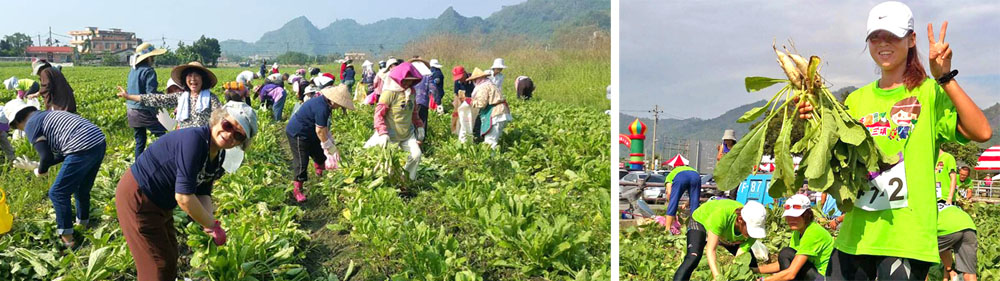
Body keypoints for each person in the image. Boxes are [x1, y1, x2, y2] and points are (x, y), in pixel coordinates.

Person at [795, 2, 991, 279]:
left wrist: (945, 78)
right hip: (857, 233)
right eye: (876, 36)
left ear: (911, 40)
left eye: (893, 35)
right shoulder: (855, 100)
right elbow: (834, 160)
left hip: (906, 236)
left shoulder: (928, 92)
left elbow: (981, 132)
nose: (883, 44)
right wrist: (814, 124)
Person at [115, 102, 257, 280]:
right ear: (218, 119)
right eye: (228, 125)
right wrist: (211, 225)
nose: (229, 135)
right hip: (140, 196)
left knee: (170, 255)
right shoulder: (195, 141)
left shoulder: (218, 154)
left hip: (161, 202)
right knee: (156, 265)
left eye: (238, 135)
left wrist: (211, 222)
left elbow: (203, 190)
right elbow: (183, 197)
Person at [4, 99, 106, 248]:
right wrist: (39, 165)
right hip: (97, 141)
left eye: (16, 126)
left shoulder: (31, 124)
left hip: (81, 147)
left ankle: (68, 239)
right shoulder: (46, 115)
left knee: (57, 193)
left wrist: (41, 170)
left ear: (18, 120)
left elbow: (47, 156)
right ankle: (83, 224)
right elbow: (63, 153)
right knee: (82, 188)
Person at [285, 85, 355, 202]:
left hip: (310, 131)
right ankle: (297, 189)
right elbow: (320, 130)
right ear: (333, 101)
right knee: (302, 161)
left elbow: (323, 127)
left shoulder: (324, 103)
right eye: (339, 104)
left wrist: (328, 141)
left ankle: (320, 173)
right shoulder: (322, 107)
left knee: (319, 153)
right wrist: (328, 145)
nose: (339, 107)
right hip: (298, 133)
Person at [673, 199, 767, 281]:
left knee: (749, 265)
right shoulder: (721, 215)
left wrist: (733, 271)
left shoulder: (754, 231)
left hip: (724, 231)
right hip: (701, 220)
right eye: (750, 229)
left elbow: (740, 257)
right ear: (740, 219)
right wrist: (717, 276)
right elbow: (711, 250)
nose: (751, 234)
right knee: (693, 256)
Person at [116, 62, 223, 129]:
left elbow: (221, 116)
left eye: (197, 76)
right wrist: (129, 96)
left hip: (203, 141)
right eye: (190, 76)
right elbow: (155, 99)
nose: (193, 79)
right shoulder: (181, 97)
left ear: (203, 79)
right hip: (183, 139)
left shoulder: (211, 98)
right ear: (185, 80)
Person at [368, 61, 425, 180]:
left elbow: (413, 111)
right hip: (391, 134)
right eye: (406, 80)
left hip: (407, 134)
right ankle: (389, 184)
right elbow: (378, 114)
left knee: (416, 155)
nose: (408, 83)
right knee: (388, 164)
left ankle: (407, 180)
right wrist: (383, 132)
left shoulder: (411, 92)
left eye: (411, 80)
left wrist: (419, 125)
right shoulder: (389, 93)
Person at [757, 195, 832, 281]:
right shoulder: (797, 232)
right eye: (789, 216)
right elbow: (785, 262)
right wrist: (756, 270)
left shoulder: (814, 232)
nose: (791, 219)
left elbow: (791, 274)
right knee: (785, 254)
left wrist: (764, 280)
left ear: (807, 215)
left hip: (823, 278)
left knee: (786, 252)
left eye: (796, 216)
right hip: (813, 275)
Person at [124, 43, 169, 159]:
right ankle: (165, 159)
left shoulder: (133, 71)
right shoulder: (149, 71)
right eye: (153, 57)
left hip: (131, 110)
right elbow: (151, 94)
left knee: (140, 140)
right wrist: (164, 97)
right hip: (142, 111)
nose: (153, 59)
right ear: (148, 58)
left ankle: (137, 165)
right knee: (162, 135)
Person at [468, 68, 512, 149]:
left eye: (474, 80)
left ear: (477, 79)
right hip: (502, 112)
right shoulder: (490, 84)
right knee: (494, 138)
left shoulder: (483, 87)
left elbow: (481, 104)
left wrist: (470, 101)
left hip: (496, 113)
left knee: (490, 142)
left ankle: (492, 160)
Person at [936, 203, 978, 281]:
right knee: (969, 272)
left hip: (948, 228)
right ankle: (952, 274)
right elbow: (944, 249)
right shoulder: (943, 205)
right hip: (967, 224)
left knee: (920, 260)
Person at [661, 163, 700, 235]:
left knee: (673, 201)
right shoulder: (692, 169)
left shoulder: (670, 175)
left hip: (681, 177)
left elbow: (669, 193)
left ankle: (667, 229)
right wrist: (685, 204)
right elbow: (693, 198)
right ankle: (695, 230)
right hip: (696, 176)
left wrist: (671, 204)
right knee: (695, 203)